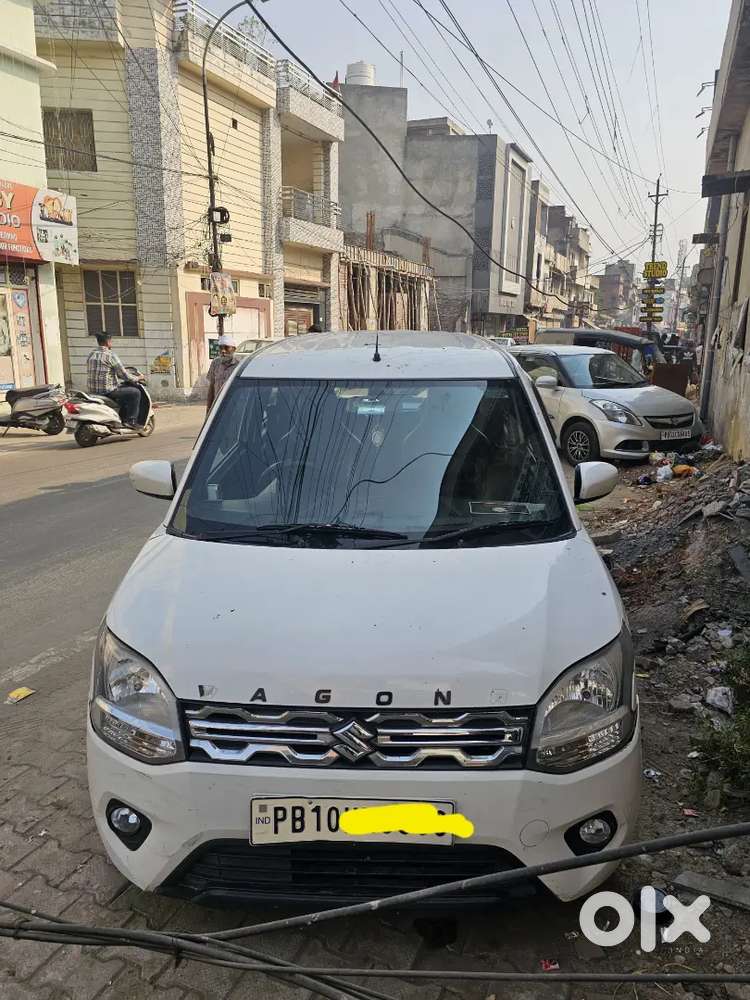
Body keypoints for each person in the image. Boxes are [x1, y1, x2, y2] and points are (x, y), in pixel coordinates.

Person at [87, 332, 141, 428]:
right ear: (108, 342)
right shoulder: (110, 355)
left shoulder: (91, 354)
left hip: (93, 391)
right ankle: (131, 421)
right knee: (135, 392)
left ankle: (120, 418)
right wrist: (138, 378)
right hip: (107, 391)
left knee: (124, 393)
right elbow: (124, 375)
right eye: (111, 341)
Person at [206, 333, 239, 412]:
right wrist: (208, 408)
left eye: (227, 348)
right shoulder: (215, 363)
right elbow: (211, 387)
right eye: (221, 348)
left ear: (234, 349)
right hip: (217, 406)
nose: (223, 351)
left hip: (233, 406)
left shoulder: (238, 365)